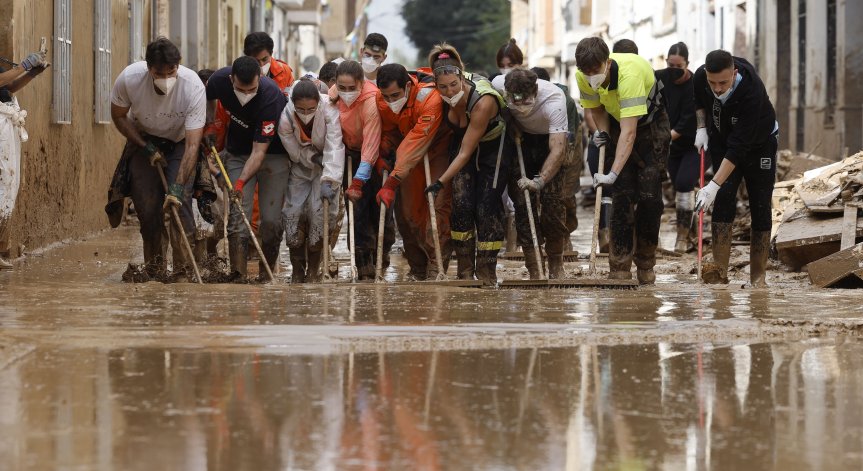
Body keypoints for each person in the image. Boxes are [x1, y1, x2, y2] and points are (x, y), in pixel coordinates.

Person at [575, 37, 670, 284]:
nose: (591, 76)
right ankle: (619, 266)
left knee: (649, 197)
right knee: (622, 195)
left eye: (595, 70)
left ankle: (646, 261)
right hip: (618, 122)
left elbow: (630, 133)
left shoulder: (630, 76)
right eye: (586, 72)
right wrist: (603, 133)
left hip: (650, 126)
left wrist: (612, 173)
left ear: (607, 63)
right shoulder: (582, 76)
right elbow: (597, 109)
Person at [110, 38, 205, 280]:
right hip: (144, 141)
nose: (166, 78)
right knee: (148, 208)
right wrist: (145, 146)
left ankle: (183, 272)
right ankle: (155, 270)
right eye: (159, 73)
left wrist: (177, 186)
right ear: (149, 68)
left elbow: (193, 144)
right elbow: (119, 116)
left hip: (181, 143)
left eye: (171, 72)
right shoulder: (130, 79)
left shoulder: (193, 86)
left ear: (178, 66)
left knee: (179, 205)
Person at [423, 44, 512, 286]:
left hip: (493, 147)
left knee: (487, 206)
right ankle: (464, 271)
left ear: (462, 78)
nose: (450, 91)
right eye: (443, 87)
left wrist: (440, 182)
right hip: (463, 143)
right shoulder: (436, 95)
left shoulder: (483, 102)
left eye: (454, 84)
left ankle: (486, 272)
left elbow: (465, 153)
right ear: (436, 85)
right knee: (461, 205)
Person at [693, 50, 777, 287]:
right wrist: (701, 127)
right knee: (723, 199)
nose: (717, 89)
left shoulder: (752, 91)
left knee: (760, 203)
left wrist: (712, 186)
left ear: (734, 73)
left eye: (723, 83)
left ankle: (758, 277)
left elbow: (739, 148)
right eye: (712, 83)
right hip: (722, 140)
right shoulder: (700, 77)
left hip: (759, 144)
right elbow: (699, 101)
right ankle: (719, 273)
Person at [205, 55, 289, 280]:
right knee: (238, 215)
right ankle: (237, 276)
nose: (246, 94)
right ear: (231, 79)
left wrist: (240, 183)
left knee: (270, 221)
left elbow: (259, 152)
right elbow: (209, 96)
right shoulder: (218, 80)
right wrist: (210, 123)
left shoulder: (271, 97)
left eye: (251, 89)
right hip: (238, 153)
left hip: (273, 154)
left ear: (259, 78)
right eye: (240, 89)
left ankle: (266, 275)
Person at [374, 64, 453, 280]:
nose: (390, 101)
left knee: (437, 208)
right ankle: (417, 267)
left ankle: (437, 266)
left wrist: (392, 182)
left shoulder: (429, 98)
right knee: (408, 213)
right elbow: (389, 129)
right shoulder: (381, 100)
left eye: (395, 95)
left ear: (408, 86)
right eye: (386, 96)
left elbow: (417, 140)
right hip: (406, 158)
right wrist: (383, 149)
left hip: (436, 152)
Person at [497, 68, 575, 279]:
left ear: (535, 91)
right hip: (520, 142)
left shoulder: (554, 100)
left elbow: (558, 149)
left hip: (549, 141)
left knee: (553, 203)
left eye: (526, 101)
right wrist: (510, 121)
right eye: (516, 103)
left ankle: (556, 262)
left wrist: (540, 181)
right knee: (523, 204)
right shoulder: (498, 84)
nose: (521, 108)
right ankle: (534, 266)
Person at [278, 79, 344, 283]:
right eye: (301, 109)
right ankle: (297, 271)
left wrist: (329, 179)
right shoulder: (286, 117)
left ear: (318, 103)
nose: (305, 113)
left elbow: (335, 146)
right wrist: (312, 157)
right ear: (293, 103)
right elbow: (294, 152)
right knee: (292, 212)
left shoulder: (329, 110)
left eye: (310, 109)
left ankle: (314, 270)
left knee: (319, 213)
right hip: (299, 168)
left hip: (328, 167)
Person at [331, 60, 391, 280]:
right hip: (349, 154)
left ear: (361, 83)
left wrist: (359, 181)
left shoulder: (371, 99)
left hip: (377, 156)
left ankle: (382, 254)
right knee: (357, 211)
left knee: (380, 208)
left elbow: (371, 143)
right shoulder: (332, 96)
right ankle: (363, 262)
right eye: (342, 87)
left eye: (351, 88)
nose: (346, 92)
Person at [0, 50, 48, 270]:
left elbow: (7, 88)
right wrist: (24, 66)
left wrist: (32, 74)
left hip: (7, 124)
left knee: (9, 185)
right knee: (3, 184)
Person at [530, 66, 583, 253]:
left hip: (568, 142)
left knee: (564, 192)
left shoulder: (562, 100)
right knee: (537, 195)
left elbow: (567, 141)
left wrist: (560, 164)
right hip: (540, 141)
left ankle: (565, 235)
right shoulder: (525, 97)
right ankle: (540, 240)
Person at [657, 42, 699, 253]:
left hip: (693, 143)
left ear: (687, 64)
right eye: (670, 65)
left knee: (684, 183)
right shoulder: (660, 78)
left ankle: (682, 237)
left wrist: (663, 138)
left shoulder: (695, 84)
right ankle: (692, 231)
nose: (673, 70)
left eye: (678, 67)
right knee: (677, 186)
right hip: (670, 145)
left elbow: (686, 121)